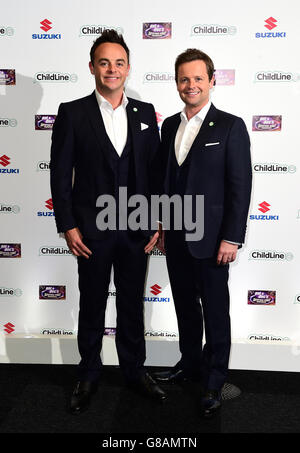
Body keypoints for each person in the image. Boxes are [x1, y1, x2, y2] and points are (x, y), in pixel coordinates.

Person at [50, 29, 166, 414]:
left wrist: (159, 220)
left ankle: (134, 371)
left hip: (136, 230)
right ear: (92, 67)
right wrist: (68, 225)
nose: (112, 70)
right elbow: (60, 172)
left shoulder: (146, 112)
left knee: (132, 304)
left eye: (119, 63)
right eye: (104, 62)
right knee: (92, 303)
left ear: (128, 69)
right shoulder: (72, 112)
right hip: (91, 232)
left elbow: (155, 171)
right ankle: (88, 373)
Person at [152, 48, 252, 418]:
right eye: (184, 78)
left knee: (215, 310)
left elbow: (240, 187)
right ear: (176, 83)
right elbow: (165, 180)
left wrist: (232, 237)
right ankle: (189, 364)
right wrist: (161, 223)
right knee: (185, 307)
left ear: (212, 80)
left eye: (197, 78)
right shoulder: (169, 126)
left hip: (213, 241)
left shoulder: (230, 126)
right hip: (176, 236)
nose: (190, 85)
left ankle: (214, 379)